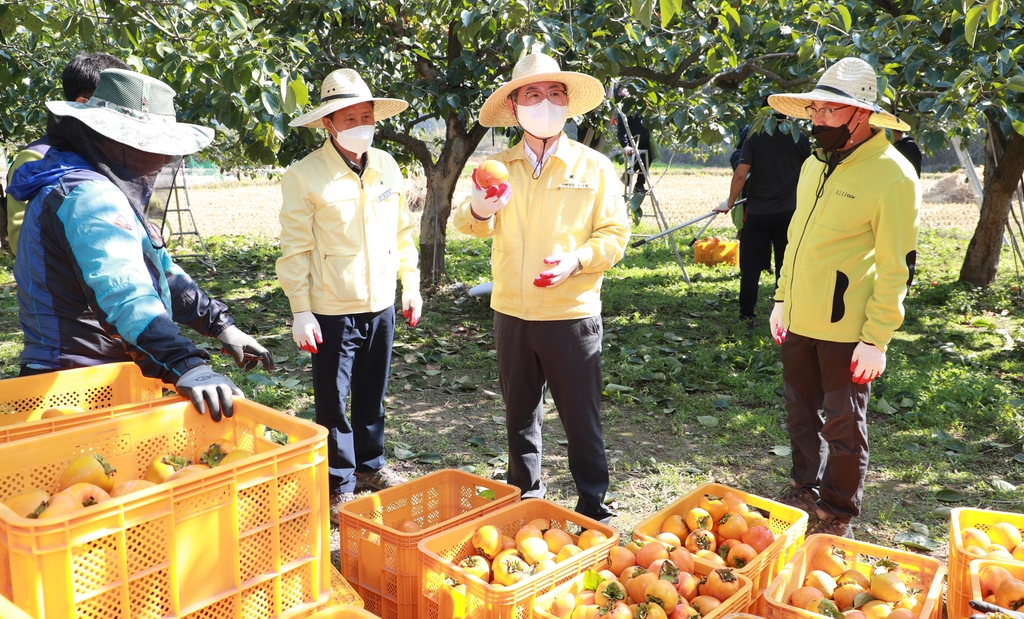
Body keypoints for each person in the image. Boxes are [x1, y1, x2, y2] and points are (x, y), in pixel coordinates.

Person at [7, 68, 273, 419]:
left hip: (105, 372)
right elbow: (124, 292)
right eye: (149, 144)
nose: (161, 159)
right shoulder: (88, 197)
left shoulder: (88, 183)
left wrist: (221, 325)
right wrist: (186, 364)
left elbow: (160, 270)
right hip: (78, 383)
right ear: (107, 138)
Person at [453, 52, 631, 523]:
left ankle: (594, 503)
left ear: (568, 104)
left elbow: (614, 236)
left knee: (581, 419)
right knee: (520, 416)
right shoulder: (499, 165)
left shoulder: (593, 167)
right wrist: (480, 210)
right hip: (511, 311)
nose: (545, 102)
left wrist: (577, 259)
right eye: (533, 93)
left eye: (555, 93)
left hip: (571, 315)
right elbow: (466, 226)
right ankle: (526, 496)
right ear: (514, 107)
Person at [766, 57, 921, 538]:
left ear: (862, 115)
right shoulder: (814, 165)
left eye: (831, 112)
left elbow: (898, 266)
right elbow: (797, 239)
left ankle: (836, 513)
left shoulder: (893, 176)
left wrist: (877, 338)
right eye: (815, 110)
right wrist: (780, 298)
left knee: (843, 425)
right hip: (798, 317)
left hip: (847, 328)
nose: (818, 121)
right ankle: (802, 488)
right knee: (798, 411)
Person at [277, 68, 421, 519]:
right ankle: (338, 481)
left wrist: (410, 283)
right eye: (349, 117)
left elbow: (403, 232)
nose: (361, 124)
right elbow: (295, 249)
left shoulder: (387, 166)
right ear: (328, 124)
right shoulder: (304, 177)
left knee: (372, 393)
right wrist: (301, 311)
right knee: (333, 401)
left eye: (367, 115)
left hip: (380, 305)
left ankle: (370, 466)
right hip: (331, 309)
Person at [5, 53, 129, 257]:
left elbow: (153, 211)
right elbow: (23, 242)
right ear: (83, 104)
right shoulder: (35, 158)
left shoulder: (115, 153)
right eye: (122, 108)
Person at [715, 108, 811, 327]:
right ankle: (786, 315)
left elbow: (741, 173)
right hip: (789, 214)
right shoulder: (801, 139)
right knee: (785, 266)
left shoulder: (754, 136)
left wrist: (729, 203)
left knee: (750, 266)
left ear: (762, 116)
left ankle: (746, 314)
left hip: (758, 213)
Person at [615, 88, 655, 194]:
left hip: (645, 139)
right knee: (641, 160)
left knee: (648, 158)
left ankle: (637, 183)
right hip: (634, 141)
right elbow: (622, 129)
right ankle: (629, 177)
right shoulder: (625, 109)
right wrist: (625, 145)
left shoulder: (641, 105)